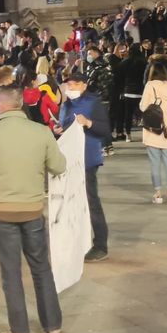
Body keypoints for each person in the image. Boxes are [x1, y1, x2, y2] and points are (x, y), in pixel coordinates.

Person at [0, 85, 69, 333]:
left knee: (11, 272)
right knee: (41, 267)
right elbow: (59, 166)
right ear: (20, 104)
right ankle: (53, 324)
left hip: (1, 212)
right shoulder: (40, 132)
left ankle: (20, 330)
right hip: (33, 209)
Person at [57, 67, 111, 261]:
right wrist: (59, 130)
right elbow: (64, 126)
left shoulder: (93, 103)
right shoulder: (66, 104)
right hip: (69, 160)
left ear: (84, 85)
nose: (70, 86)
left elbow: (105, 130)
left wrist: (88, 123)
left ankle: (100, 244)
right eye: (68, 83)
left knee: (91, 200)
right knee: (71, 202)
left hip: (87, 159)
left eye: (74, 84)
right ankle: (78, 240)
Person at [137, 55, 167, 204]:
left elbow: (143, 106)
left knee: (155, 163)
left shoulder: (150, 86)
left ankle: (158, 194)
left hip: (153, 129)